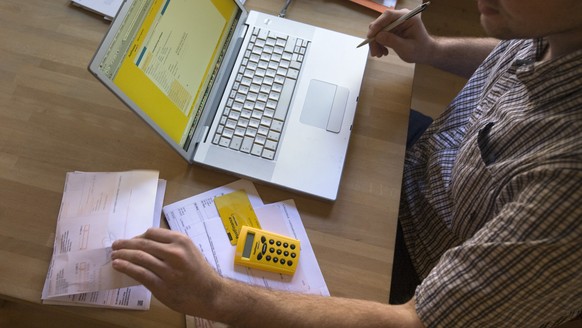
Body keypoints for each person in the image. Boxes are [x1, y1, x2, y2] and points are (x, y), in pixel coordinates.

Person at [111, 0, 582, 326]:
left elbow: (417, 322)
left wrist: (217, 298)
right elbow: (517, 47)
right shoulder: (556, 28)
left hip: (421, 262)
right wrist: (431, 50)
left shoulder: (565, 188)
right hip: (432, 159)